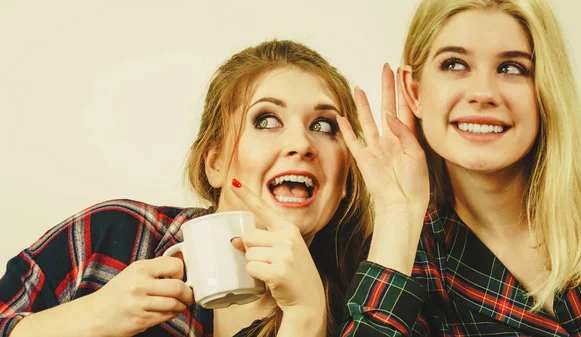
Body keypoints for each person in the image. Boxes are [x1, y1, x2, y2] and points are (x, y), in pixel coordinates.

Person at [0, 40, 372, 337]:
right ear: (215, 162)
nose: (303, 144)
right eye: (267, 119)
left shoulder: (365, 306)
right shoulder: (115, 233)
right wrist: (91, 318)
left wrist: (306, 318)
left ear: (342, 182)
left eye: (324, 126)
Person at [336, 0, 581, 336]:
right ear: (413, 91)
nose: (483, 93)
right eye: (455, 64)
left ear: (545, 88)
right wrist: (397, 212)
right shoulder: (409, 256)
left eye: (511, 68)